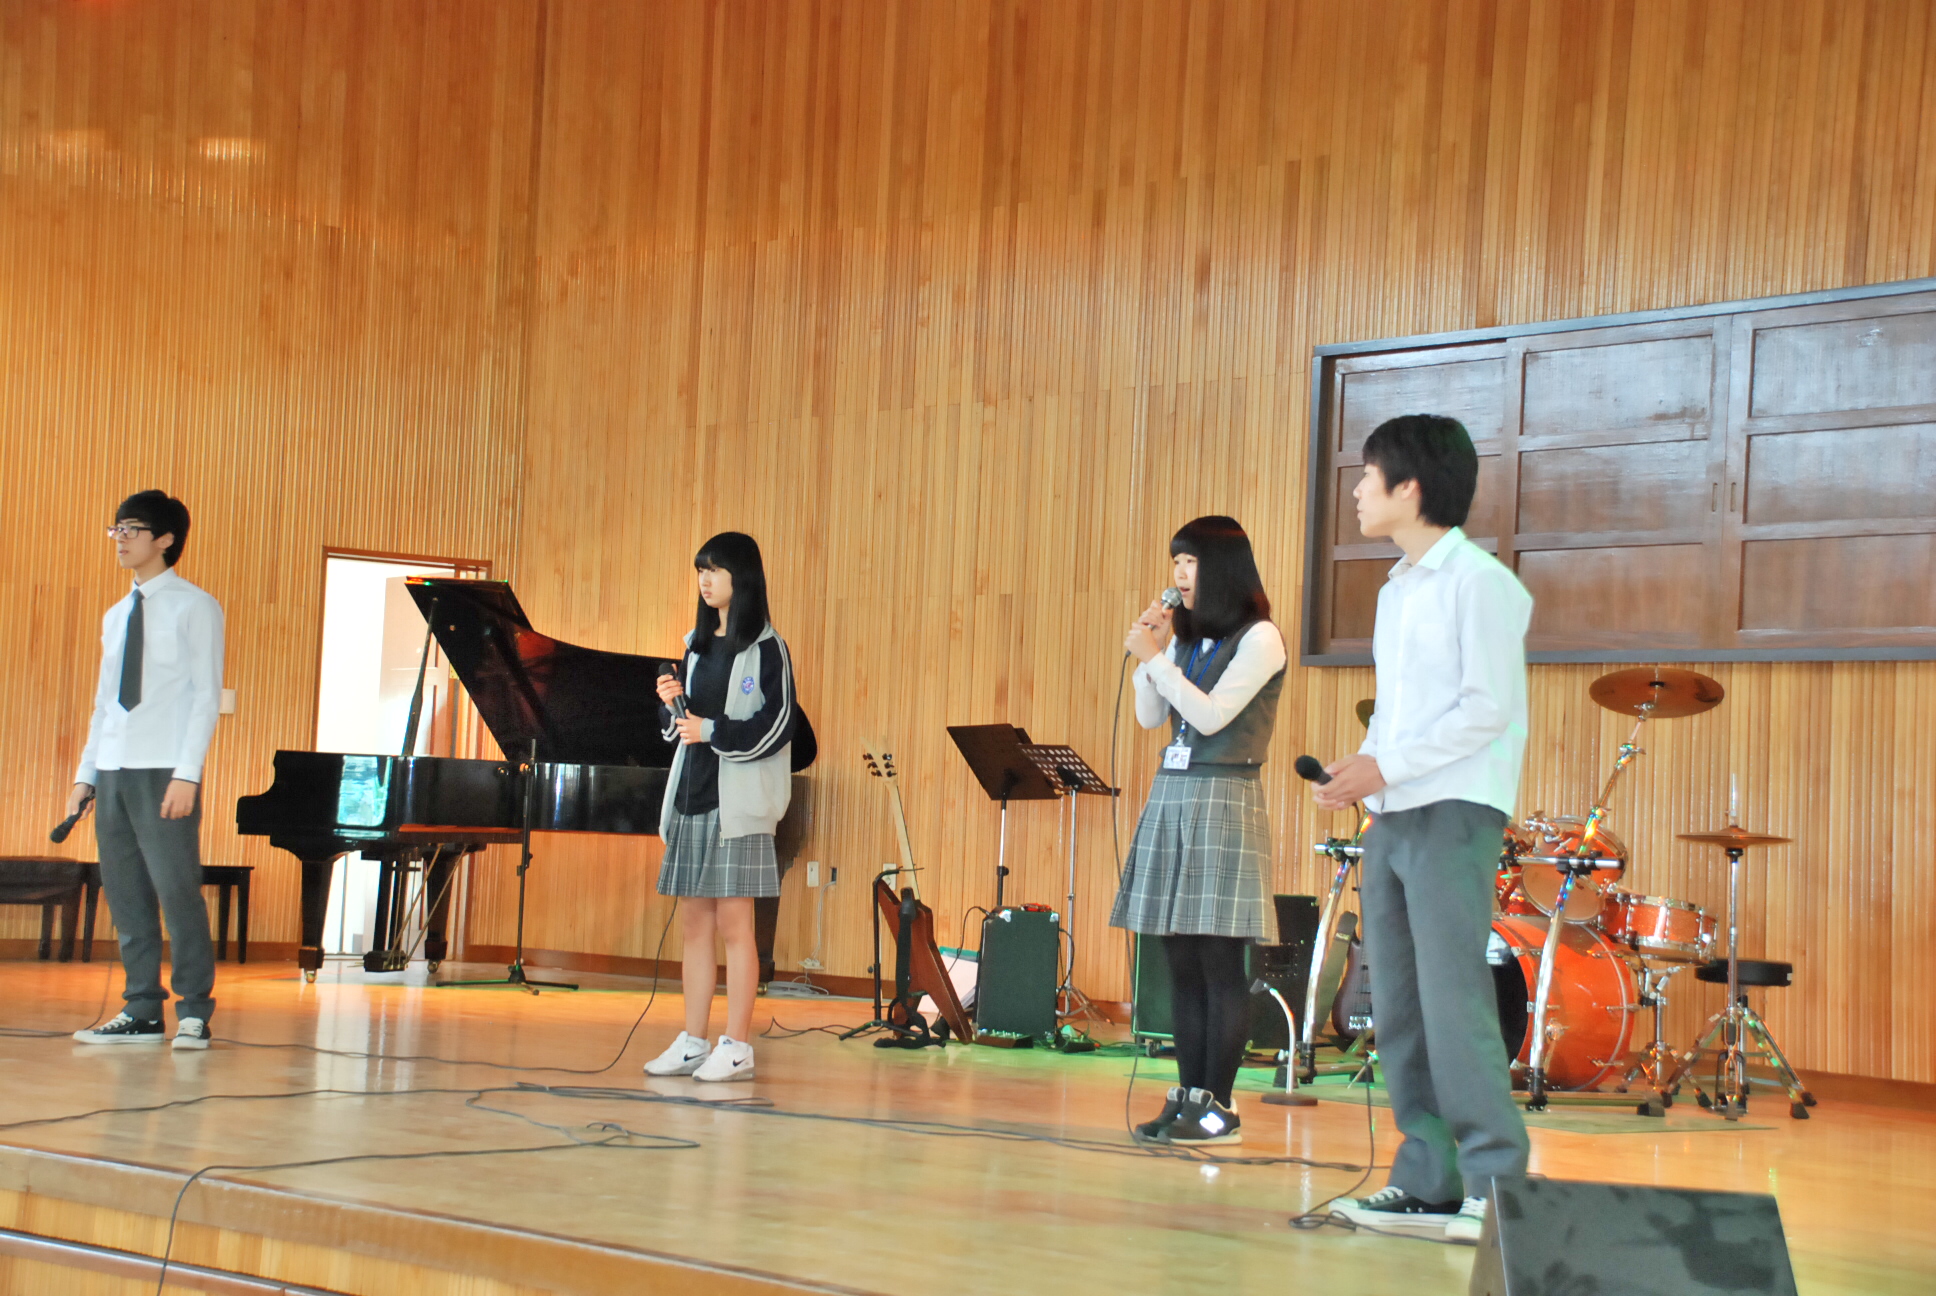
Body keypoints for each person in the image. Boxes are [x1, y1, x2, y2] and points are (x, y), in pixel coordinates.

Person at [1313, 414, 1532, 1243]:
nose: (1359, 493)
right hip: (1395, 814)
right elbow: (1400, 715)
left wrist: (1389, 766)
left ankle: (1494, 1185)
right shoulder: (1396, 587)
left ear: (1410, 488)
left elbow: (1486, 711)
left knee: (1452, 1000)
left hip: (1455, 811)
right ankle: (1428, 1179)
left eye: (1368, 478)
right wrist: (1359, 771)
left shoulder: (1481, 583)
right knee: (1396, 1005)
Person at [1114, 516, 1287, 1145]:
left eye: (1189, 562)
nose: (1179, 575)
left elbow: (1212, 718)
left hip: (1223, 796)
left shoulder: (1261, 638)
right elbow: (1148, 716)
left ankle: (1222, 1104)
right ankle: (1189, 1095)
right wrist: (1150, 655)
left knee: (1218, 958)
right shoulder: (1187, 641)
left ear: (1221, 567)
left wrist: (1157, 661)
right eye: (1175, 562)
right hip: (1175, 792)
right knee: (1178, 956)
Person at [69, 491, 225, 1050]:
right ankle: (140, 1009)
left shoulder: (195, 606)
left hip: (163, 770)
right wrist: (86, 775)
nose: (121, 538)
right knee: (126, 894)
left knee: (177, 891)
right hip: (112, 769)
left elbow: (206, 697)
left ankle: (193, 1011)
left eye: (132, 529)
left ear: (165, 539)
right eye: (115, 529)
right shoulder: (116, 615)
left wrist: (188, 773)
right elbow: (104, 701)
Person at [644, 533, 798, 1083]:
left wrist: (713, 730)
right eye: (700, 571)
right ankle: (692, 1040)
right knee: (695, 926)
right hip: (692, 798)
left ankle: (737, 1044)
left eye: (714, 570)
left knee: (737, 926)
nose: (705, 581)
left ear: (743, 576)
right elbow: (678, 733)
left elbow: (779, 729)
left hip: (739, 807)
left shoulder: (766, 648)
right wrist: (672, 708)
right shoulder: (695, 644)